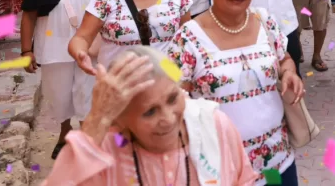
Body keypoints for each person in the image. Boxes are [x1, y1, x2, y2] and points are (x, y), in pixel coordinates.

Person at [167, 0, 305, 186]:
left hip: (277, 162)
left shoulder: (265, 21)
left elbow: (284, 58)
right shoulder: (188, 38)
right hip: (222, 171)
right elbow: (173, 103)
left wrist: (288, 73)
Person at [45, 47, 257, 185]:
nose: (168, 118)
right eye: (150, 111)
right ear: (120, 120)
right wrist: (97, 118)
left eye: (173, 98)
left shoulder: (213, 124)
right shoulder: (107, 147)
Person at [20, 0, 101, 159]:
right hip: (53, 43)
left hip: (90, 44)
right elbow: (29, 12)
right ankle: (65, 133)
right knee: (59, 94)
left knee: (88, 91)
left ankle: (87, 139)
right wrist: (27, 49)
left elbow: (108, 2)